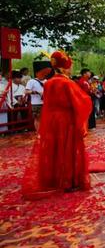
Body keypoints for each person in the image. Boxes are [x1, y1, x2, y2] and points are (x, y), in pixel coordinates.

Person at [22, 51, 93, 198]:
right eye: (69, 66)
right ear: (65, 67)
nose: (71, 69)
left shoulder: (48, 83)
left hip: (52, 120)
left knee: (54, 148)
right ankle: (68, 181)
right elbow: (82, 101)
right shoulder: (67, 83)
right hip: (66, 120)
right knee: (67, 147)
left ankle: (54, 178)